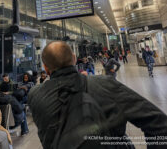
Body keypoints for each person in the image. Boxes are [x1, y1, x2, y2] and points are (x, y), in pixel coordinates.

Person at [28, 41, 167, 149]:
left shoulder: (34, 95)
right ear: (74, 59)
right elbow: (159, 124)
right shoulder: (105, 84)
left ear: (45, 67)